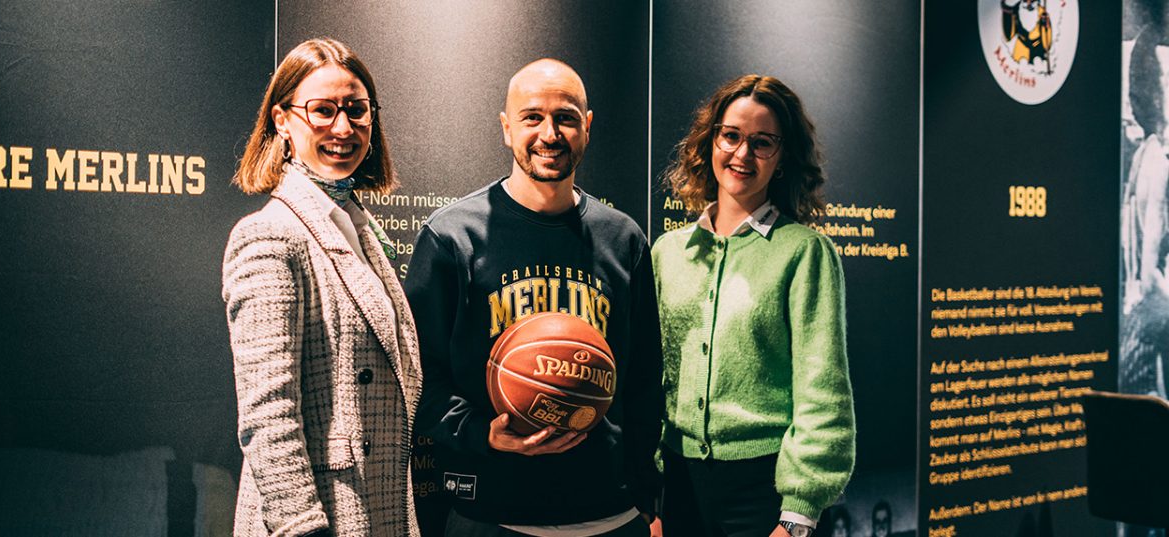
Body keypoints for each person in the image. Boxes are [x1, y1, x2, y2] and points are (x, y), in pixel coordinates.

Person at [403, 58, 663, 537]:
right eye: (532, 117)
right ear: (506, 128)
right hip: (495, 516)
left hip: (610, 514)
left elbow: (645, 381)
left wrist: (647, 497)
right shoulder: (452, 237)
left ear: (586, 127)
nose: (550, 133)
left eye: (565, 117)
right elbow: (418, 377)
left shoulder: (623, 239)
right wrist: (482, 433)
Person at [222, 37, 422, 537]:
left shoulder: (355, 226)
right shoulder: (269, 234)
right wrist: (302, 528)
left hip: (379, 508)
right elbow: (268, 417)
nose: (343, 127)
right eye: (322, 110)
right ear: (282, 121)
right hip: (323, 522)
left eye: (357, 110)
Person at [651, 74, 856, 537]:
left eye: (762, 143)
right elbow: (651, 380)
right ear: (710, 141)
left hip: (763, 493)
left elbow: (823, 391)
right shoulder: (668, 252)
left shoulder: (804, 252)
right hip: (677, 487)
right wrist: (651, 497)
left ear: (781, 158)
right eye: (731, 136)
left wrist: (798, 517)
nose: (742, 154)